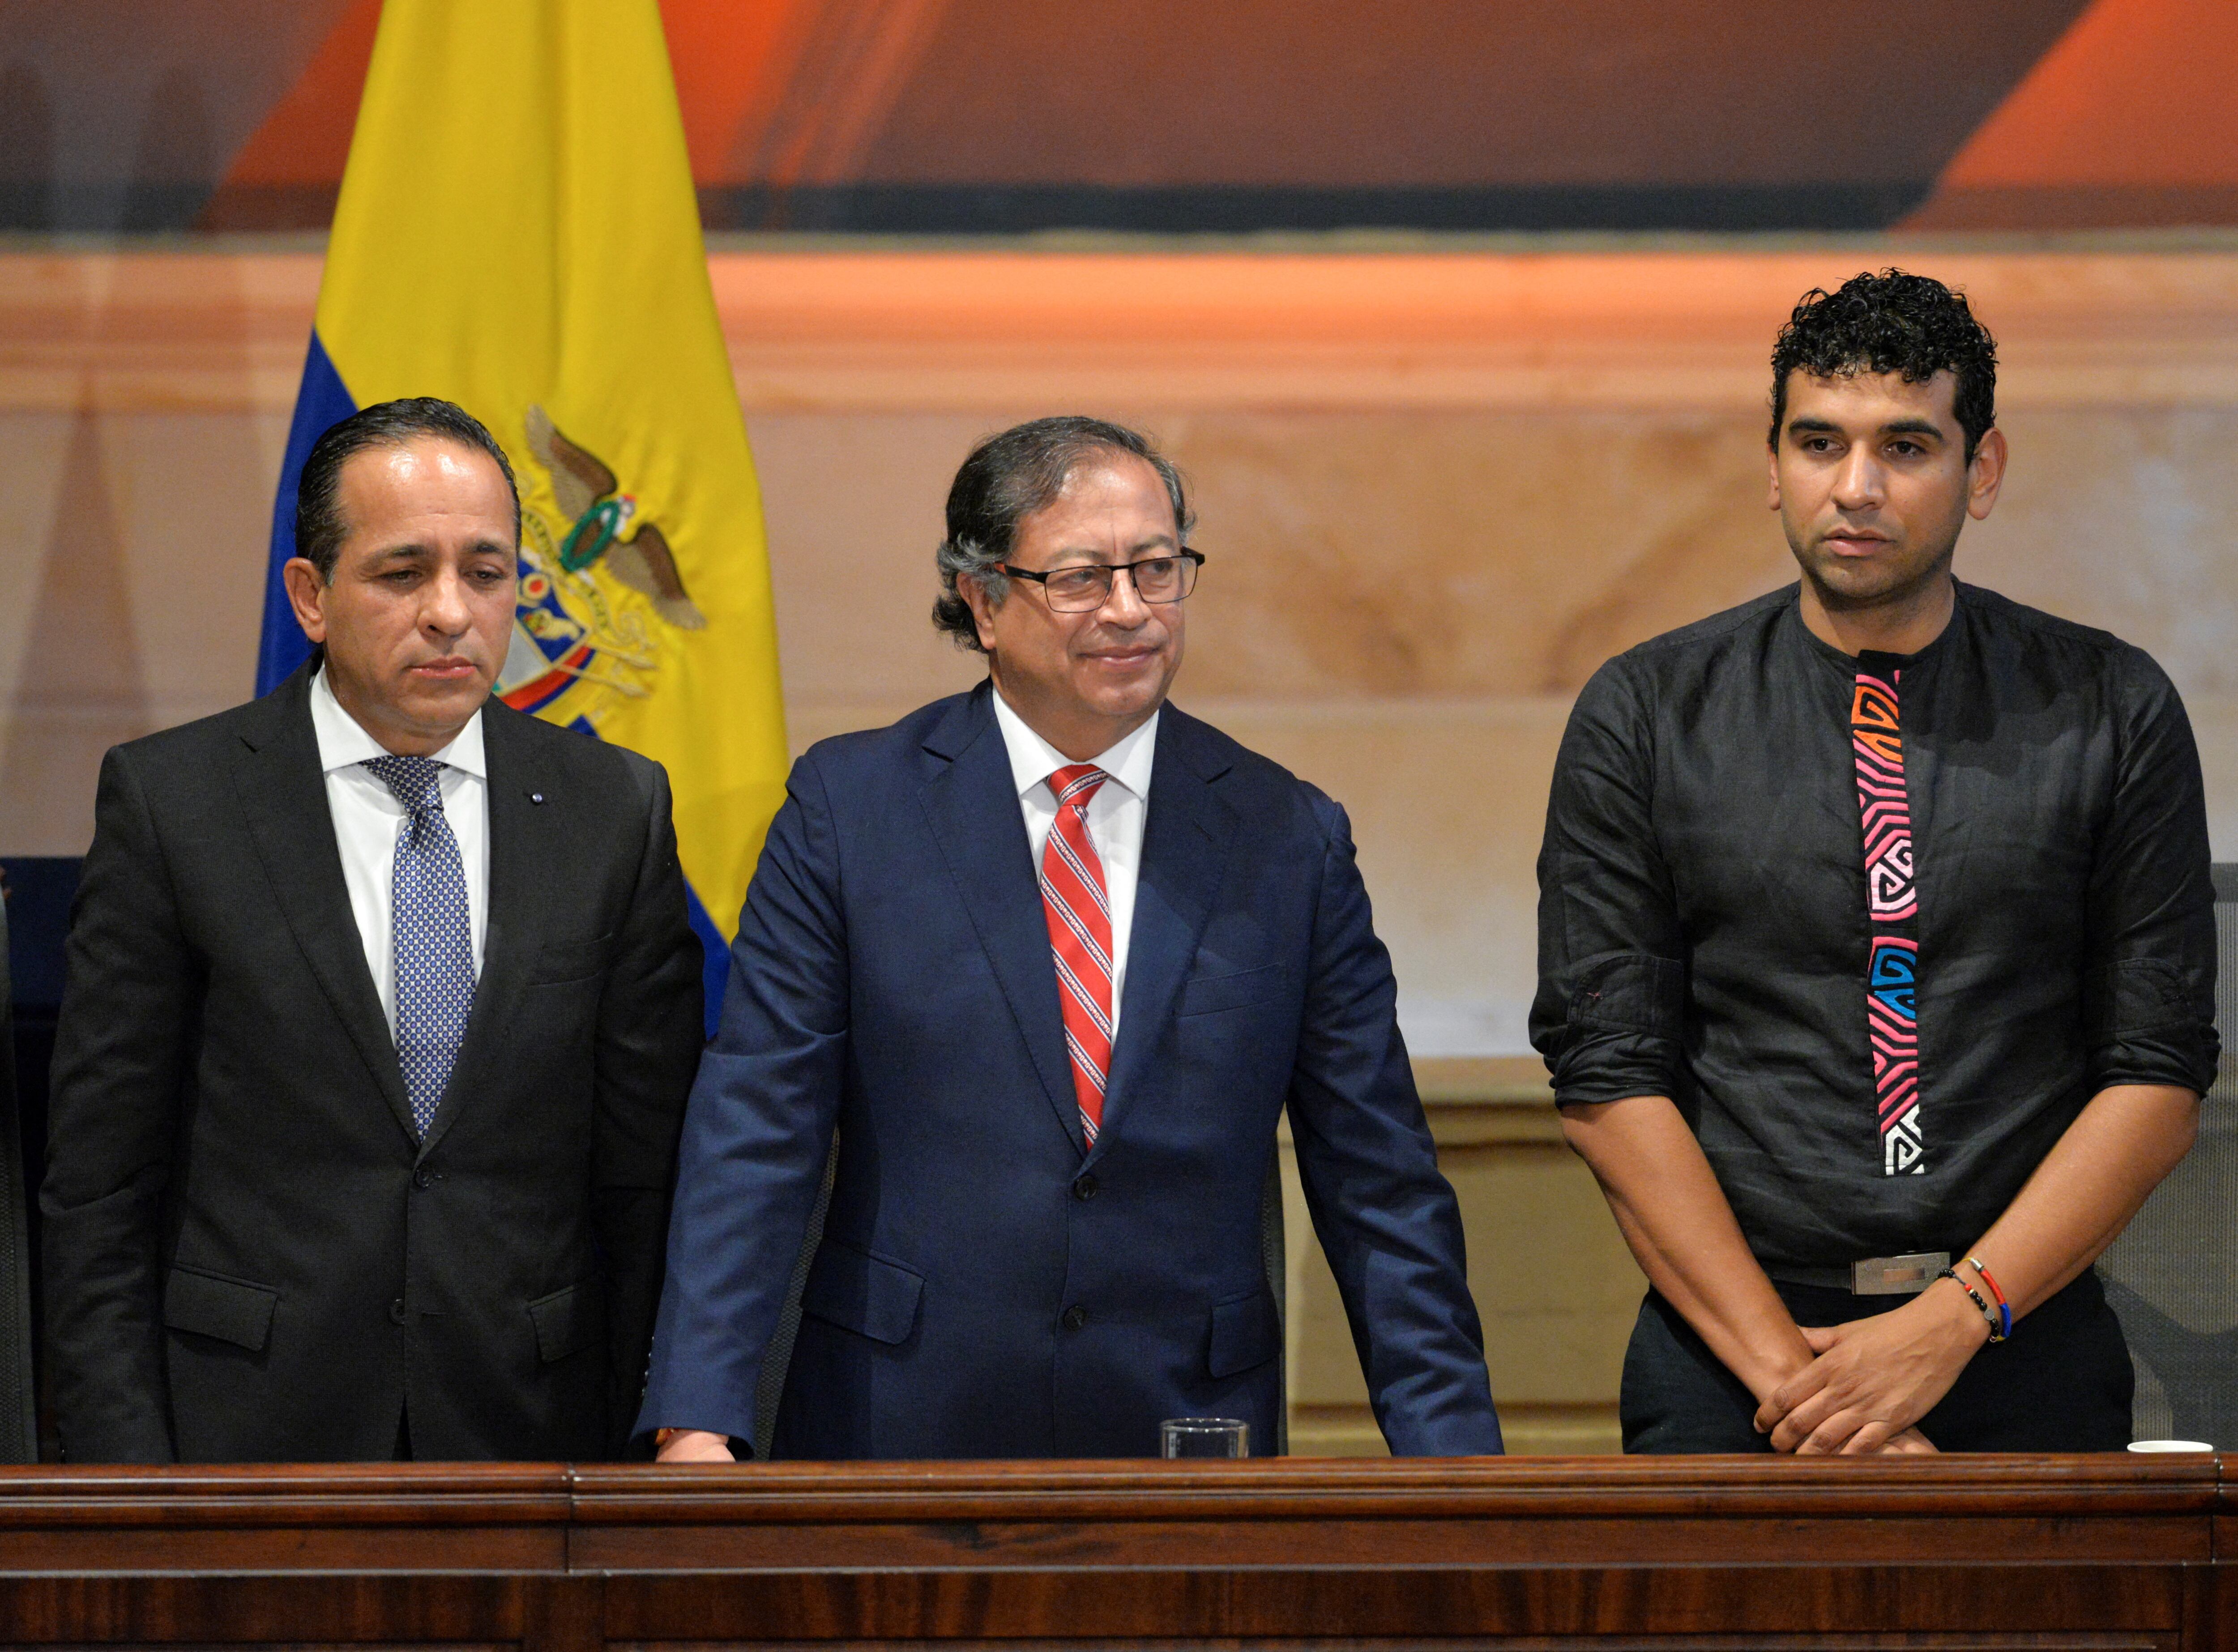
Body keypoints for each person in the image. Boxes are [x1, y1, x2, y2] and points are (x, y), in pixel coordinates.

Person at [641, 416, 1502, 1460]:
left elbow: (1378, 1181)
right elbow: (756, 1128)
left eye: (1158, 568)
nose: (1132, 611)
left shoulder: (1286, 836)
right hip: (899, 1421)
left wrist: (1454, 1463)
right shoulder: (851, 809)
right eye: (1085, 578)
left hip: (1184, 1434)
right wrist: (698, 1415)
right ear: (983, 598)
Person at [1533, 269, 2217, 1455]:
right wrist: (1810, 1391)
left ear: (1982, 468)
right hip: (1738, 1366)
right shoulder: (1645, 712)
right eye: (1818, 442)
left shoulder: (2112, 706)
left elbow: (2156, 1071)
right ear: (1772, 465)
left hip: (2020, 1342)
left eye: (1906, 444)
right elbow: (1608, 1073)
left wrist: (1949, 1325)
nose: (1855, 487)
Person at [43, 398, 703, 1462]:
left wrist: (653, 1434)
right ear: (310, 596)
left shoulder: (611, 809)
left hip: (530, 1434)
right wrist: (123, 1483)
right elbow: (101, 1189)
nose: (450, 613)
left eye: (487, 573)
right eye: (403, 573)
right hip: (246, 1435)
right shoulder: (178, 805)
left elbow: (645, 1178)